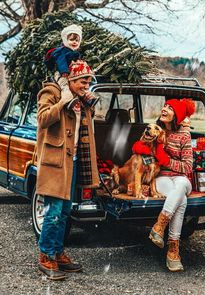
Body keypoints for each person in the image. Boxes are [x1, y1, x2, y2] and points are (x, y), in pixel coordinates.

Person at [36, 59, 100, 280]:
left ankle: (57, 252)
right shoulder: (51, 92)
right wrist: (61, 102)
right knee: (53, 213)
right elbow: (43, 119)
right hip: (54, 162)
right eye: (83, 81)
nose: (86, 85)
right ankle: (45, 256)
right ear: (71, 80)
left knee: (64, 212)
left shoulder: (81, 99)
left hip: (72, 162)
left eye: (88, 82)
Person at [132, 98, 195, 272]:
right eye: (165, 106)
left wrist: (166, 161)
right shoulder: (155, 130)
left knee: (181, 184)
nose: (164, 109)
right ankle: (173, 250)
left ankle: (160, 226)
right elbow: (139, 148)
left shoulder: (184, 136)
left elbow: (188, 167)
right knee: (180, 199)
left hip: (181, 178)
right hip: (162, 179)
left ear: (177, 115)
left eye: (170, 108)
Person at [44, 24, 82, 102]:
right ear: (65, 40)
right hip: (60, 72)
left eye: (77, 40)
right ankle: (67, 99)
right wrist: (64, 71)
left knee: (81, 85)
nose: (74, 42)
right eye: (71, 40)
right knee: (64, 84)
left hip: (72, 73)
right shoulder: (61, 51)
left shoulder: (75, 52)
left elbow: (77, 60)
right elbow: (61, 60)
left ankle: (87, 98)